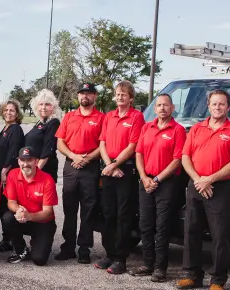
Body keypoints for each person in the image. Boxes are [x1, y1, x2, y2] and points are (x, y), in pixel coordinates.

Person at [176, 90, 230, 290]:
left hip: (220, 187)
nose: (218, 107)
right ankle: (191, 275)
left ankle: (217, 280)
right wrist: (199, 180)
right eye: (214, 104)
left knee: (219, 235)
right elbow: (185, 157)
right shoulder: (197, 129)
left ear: (228, 107)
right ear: (209, 106)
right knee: (191, 232)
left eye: (221, 104)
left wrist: (210, 180)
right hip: (196, 185)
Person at [129, 93, 186, 282]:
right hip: (146, 181)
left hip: (166, 183)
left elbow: (177, 160)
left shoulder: (178, 130)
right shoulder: (147, 127)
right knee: (145, 225)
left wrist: (157, 180)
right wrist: (144, 177)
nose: (162, 108)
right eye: (159, 105)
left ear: (172, 108)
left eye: (166, 105)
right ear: (155, 109)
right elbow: (139, 154)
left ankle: (160, 268)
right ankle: (147, 263)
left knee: (162, 226)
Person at [96, 80, 146, 274]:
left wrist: (116, 164)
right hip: (109, 169)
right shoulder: (109, 117)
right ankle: (109, 254)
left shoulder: (137, 117)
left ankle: (120, 258)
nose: (119, 97)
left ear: (131, 98)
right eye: (117, 94)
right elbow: (102, 143)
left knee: (123, 215)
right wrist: (109, 166)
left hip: (126, 170)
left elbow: (133, 145)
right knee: (108, 213)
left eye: (123, 94)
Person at [54, 83, 103, 264]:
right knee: (70, 209)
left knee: (88, 210)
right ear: (78, 96)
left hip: (90, 168)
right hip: (70, 167)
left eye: (89, 93)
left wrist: (87, 158)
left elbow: (103, 146)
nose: (85, 96)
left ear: (94, 96)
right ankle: (68, 247)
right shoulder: (69, 117)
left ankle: (84, 249)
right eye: (82, 93)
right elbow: (60, 143)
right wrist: (74, 156)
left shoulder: (101, 118)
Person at [2, 146, 58, 266]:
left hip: (43, 222)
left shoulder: (47, 180)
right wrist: (19, 210)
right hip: (24, 218)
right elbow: (11, 202)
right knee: (8, 218)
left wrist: (29, 216)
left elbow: (48, 212)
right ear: (18, 161)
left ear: (36, 161)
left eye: (29, 160)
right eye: (23, 160)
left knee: (39, 260)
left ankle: (38, 242)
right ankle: (21, 250)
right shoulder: (12, 174)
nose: (25, 164)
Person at [0, 99, 25, 252]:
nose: (8, 113)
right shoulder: (5, 128)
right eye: (6, 110)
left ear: (17, 113)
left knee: (7, 207)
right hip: (0, 174)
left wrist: (4, 171)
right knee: (3, 206)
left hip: (8, 175)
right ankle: (7, 237)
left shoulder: (15, 129)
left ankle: (10, 239)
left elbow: (13, 151)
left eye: (12, 110)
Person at [24, 89, 61, 182]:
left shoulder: (53, 123)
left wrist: (35, 172)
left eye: (47, 104)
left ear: (53, 107)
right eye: (41, 104)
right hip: (32, 166)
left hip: (44, 170)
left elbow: (47, 150)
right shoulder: (40, 122)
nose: (43, 107)